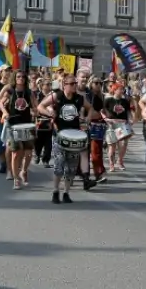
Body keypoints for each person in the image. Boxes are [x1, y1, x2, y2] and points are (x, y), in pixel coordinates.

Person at [37, 73, 96, 203]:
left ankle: (66, 193)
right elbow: (40, 107)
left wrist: (88, 118)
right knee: (59, 166)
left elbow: (90, 108)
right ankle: (55, 191)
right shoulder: (57, 96)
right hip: (60, 135)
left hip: (74, 136)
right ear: (65, 85)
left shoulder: (79, 98)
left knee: (71, 168)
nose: (75, 86)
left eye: (75, 83)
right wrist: (49, 113)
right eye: (72, 84)